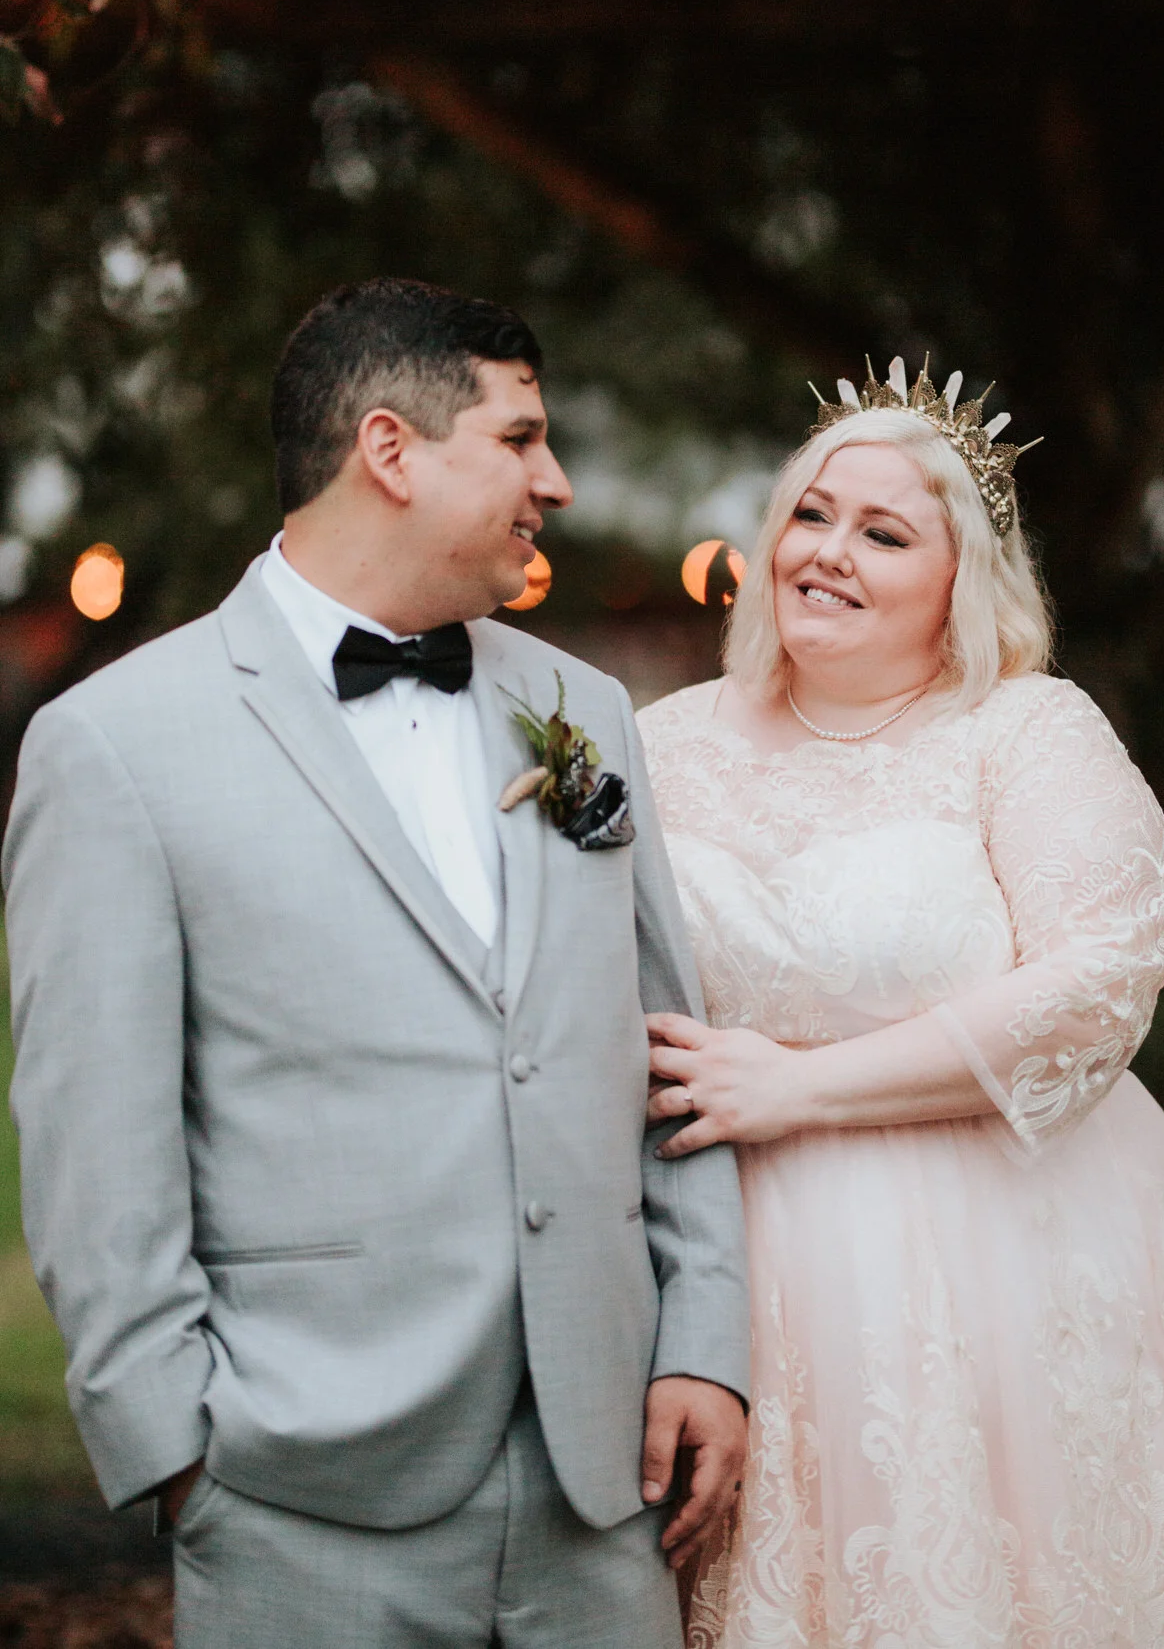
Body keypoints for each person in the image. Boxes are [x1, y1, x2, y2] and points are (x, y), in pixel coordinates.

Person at [3, 278, 749, 1649]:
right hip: (298, 1492)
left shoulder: (578, 711)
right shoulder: (113, 746)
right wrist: (179, 1455)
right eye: (521, 439)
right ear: (392, 451)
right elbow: (92, 1147)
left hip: (603, 1487)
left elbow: (670, 1051)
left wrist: (705, 1343)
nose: (559, 483)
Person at [637, 360, 1164, 1649]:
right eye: (812, 514)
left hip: (1025, 1266)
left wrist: (793, 1087)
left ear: (963, 580)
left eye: (884, 532)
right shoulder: (661, 744)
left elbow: (1097, 982)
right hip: (740, 1276)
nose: (828, 553)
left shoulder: (1025, 732)